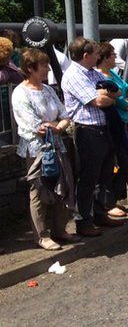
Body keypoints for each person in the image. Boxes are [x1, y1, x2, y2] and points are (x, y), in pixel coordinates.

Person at [11, 48, 79, 250]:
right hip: (36, 150)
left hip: (57, 145)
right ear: (31, 68)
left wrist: (57, 126)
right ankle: (42, 235)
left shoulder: (48, 90)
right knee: (39, 190)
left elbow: (65, 114)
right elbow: (35, 126)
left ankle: (60, 229)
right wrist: (55, 125)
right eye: (43, 65)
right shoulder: (20, 93)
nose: (48, 68)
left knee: (63, 186)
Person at [61, 37, 123, 237]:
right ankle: (83, 221)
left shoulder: (93, 73)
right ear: (86, 56)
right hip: (88, 131)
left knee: (104, 175)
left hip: (104, 129)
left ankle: (99, 213)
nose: (99, 56)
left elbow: (116, 92)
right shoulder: (73, 76)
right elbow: (98, 101)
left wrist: (109, 95)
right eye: (96, 53)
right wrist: (108, 96)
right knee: (88, 177)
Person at [95, 42, 128, 219]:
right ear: (105, 58)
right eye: (112, 55)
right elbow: (115, 97)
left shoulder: (112, 73)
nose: (115, 57)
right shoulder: (99, 77)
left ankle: (110, 199)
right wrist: (126, 103)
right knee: (116, 164)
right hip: (112, 124)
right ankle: (108, 202)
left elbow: (127, 89)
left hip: (123, 123)